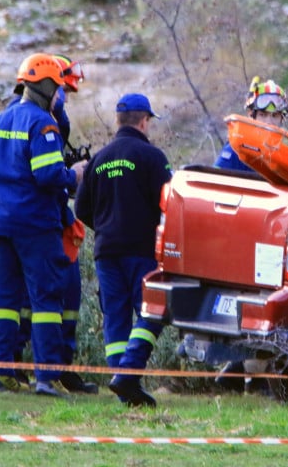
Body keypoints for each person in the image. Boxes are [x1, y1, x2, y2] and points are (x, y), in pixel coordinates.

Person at [0, 53, 87, 397]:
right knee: (46, 301)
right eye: (60, 88)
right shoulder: (43, 125)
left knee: (4, 302)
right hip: (35, 227)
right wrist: (75, 176)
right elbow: (49, 175)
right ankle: (46, 378)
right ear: (48, 87)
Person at [75, 93, 172, 407]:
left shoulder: (98, 160)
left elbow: (81, 209)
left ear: (118, 121)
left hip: (106, 252)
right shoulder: (151, 157)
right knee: (152, 311)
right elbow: (170, 203)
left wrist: (105, 228)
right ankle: (128, 374)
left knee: (115, 318)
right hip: (142, 251)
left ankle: (122, 386)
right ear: (144, 121)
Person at [212, 76, 288, 393]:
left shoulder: (286, 150)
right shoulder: (236, 149)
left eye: (276, 114)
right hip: (243, 242)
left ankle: (237, 374)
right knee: (252, 308)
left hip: (275, 241)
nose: (270, 120)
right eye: (264, 113)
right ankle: (251, 378)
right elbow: (218, 188)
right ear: (252, 114)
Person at [214, 76, 288, 172]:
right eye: (263, 115)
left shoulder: (285, 154)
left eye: (274, 116)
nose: (269, 122)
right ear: (251, 116)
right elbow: (213, 178)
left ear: (281, 119)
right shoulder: (237, 149)